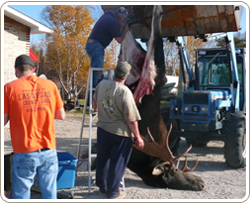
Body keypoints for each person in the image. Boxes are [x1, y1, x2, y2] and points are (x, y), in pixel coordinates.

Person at [4, 54, 66, 199]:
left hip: (24, 151)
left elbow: (3, 120)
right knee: (50, 194)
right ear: (34, 69)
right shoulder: (50, 85)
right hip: (49, 149)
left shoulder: (9, 88)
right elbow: (61, 115)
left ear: (15, 70)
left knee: (21, 195)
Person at [93, 61, 144, 199]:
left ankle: (102, 188)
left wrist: (99, 110)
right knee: (117, 163)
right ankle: (113, 193)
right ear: (126, 76)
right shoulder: (125, 92)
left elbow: (95, 104)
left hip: (102, 129)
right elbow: (131, 119)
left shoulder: (101, 85)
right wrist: (138, 137)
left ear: (114, 72)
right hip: (120, 134)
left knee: (102, 159)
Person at [85, 7, 129, 89]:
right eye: (124, 19)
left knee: (97, 72)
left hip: (92, 44)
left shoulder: (108, 16)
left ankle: (92, 95)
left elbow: (111, 27)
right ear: (120, 18)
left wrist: (119, 25)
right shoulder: (113, 21)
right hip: (96, 46)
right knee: (97, 73)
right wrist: (125, 30)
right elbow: (119, 40)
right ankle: (94, 96)